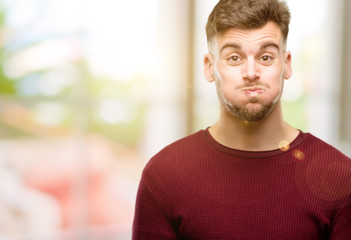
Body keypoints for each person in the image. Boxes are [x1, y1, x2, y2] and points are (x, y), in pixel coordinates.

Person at [132, 0, 351, 239]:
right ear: (209, 67)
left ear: (286, 65)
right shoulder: (164, 176)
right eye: (234, 58)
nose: (250, 73)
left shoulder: (341, 179)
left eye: (265, 57)